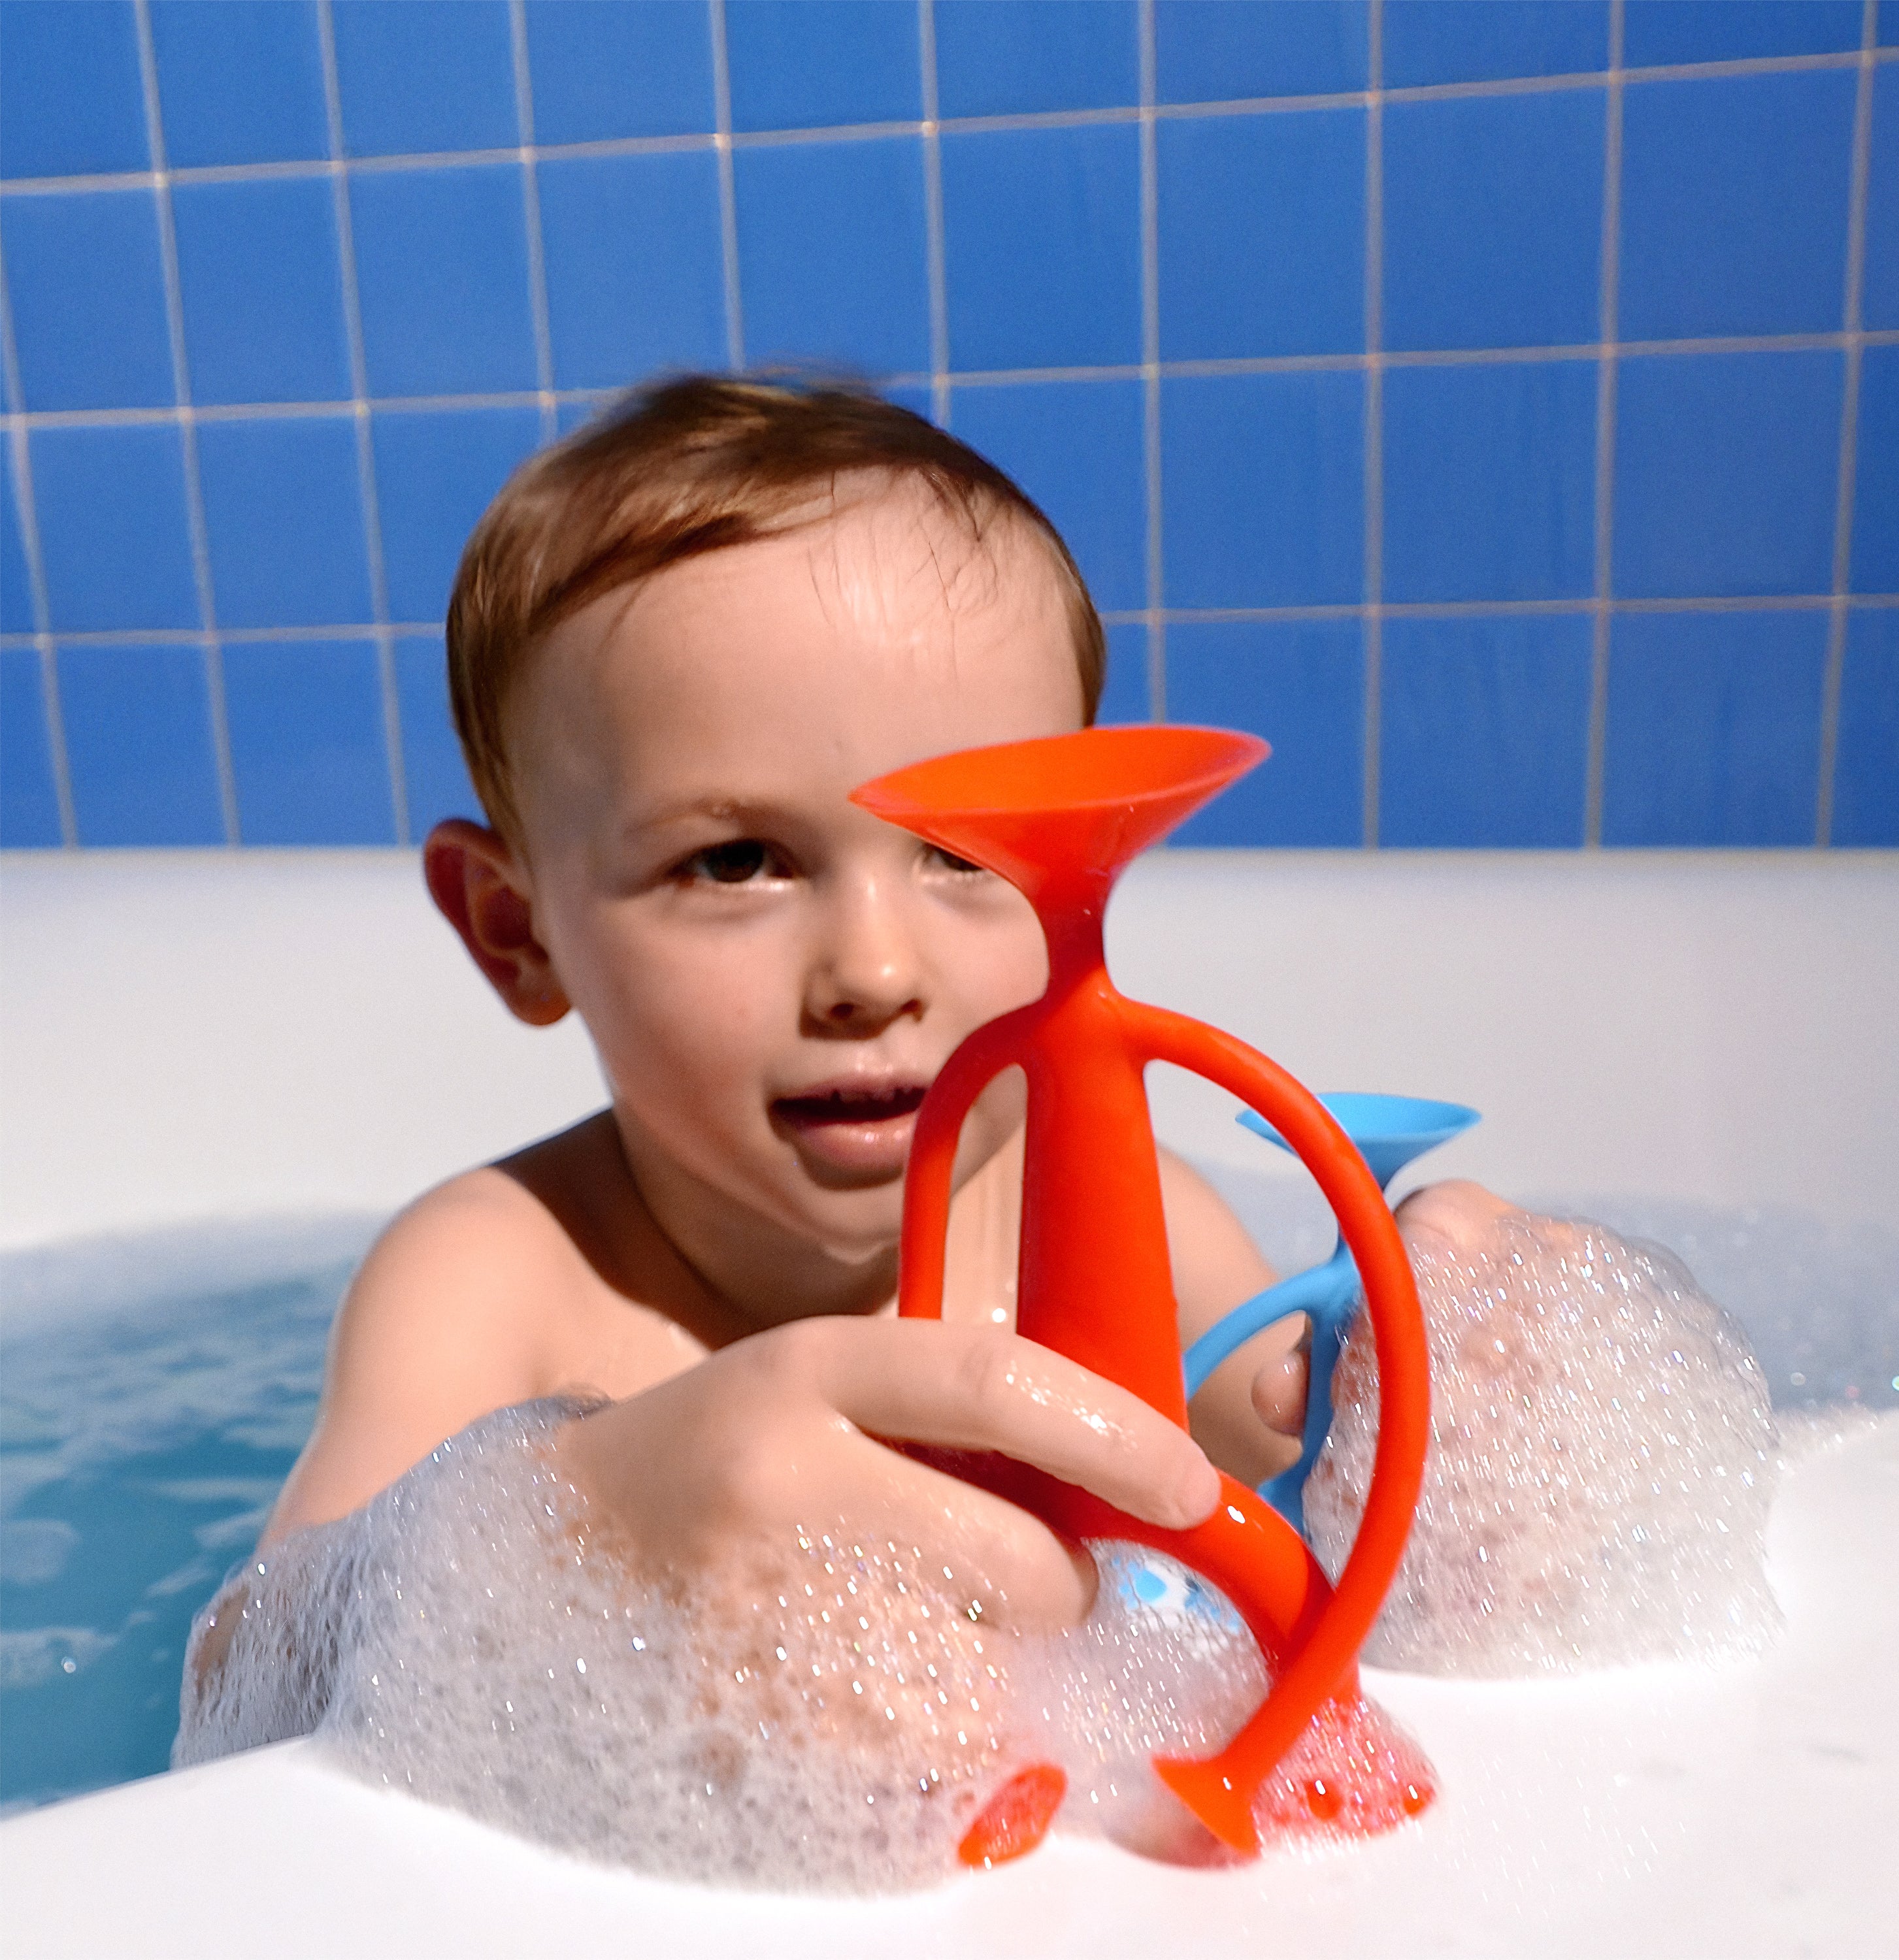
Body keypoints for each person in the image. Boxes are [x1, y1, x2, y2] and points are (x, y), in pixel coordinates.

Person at [196, 374, 1513, 1686]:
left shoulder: (1124, 1225)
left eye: (967, 853)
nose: (874, 973)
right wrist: (589, 1520)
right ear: (516, 931)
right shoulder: (499, 1282)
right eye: (735, 863)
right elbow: (249, 1681)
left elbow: (1314, 1483)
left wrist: (1433, 1363)